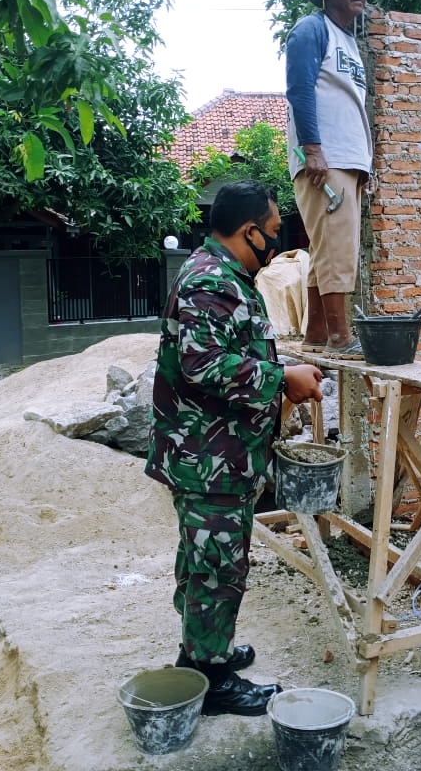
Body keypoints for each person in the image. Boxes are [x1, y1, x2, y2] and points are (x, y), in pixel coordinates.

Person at [145, 180, 324, 717]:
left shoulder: (225, 277)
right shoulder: (210, 282)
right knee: (216, 567)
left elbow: (225, 351)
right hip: (209, 459)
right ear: (249, 232)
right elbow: (204, 364)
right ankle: (213, 680)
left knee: (208, 562)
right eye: (272, 233)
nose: (275, 242)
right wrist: (281, 378)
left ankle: (202, 654)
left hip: (221, 454)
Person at [285, 0, 380, 359]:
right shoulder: (312, 30)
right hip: (326, 160)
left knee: (328, 247)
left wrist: (364, 163)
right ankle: (342, 337)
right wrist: (313, 151)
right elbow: (300, 91)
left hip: (346, 160)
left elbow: (349, 105)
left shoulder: (348, 40)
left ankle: (317, 334)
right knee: (338, 248)